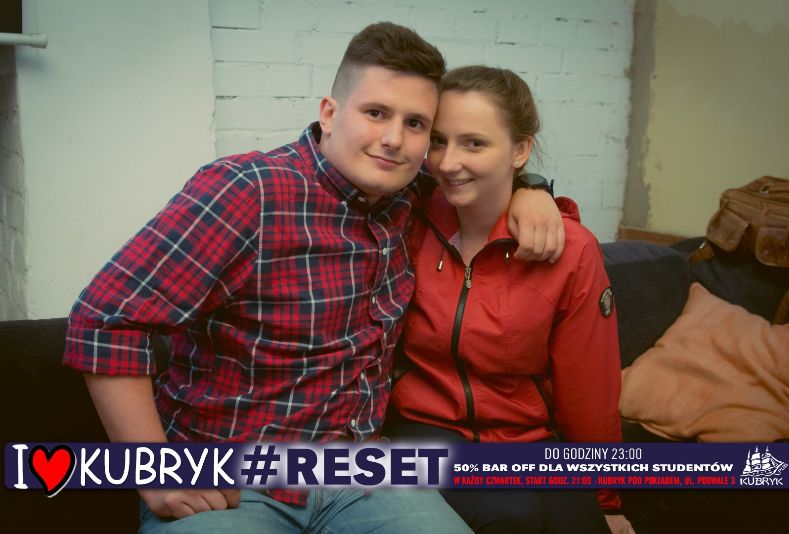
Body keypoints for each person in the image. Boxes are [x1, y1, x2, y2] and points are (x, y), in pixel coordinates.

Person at [63, 23, 566, 533]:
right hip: (232, 481)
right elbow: (104, 320)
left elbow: (481, 181)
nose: (394, 139)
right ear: (329, 113)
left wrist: (533, 190)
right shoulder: (248, 192)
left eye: (416, 123)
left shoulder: (406, 194)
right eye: (376, 113)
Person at [385, 65, 635, 534]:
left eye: (474, 143)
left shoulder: (572, 250)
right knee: (511, 515)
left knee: (581, 523)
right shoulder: (406, 218)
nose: (447, 162)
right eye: (438, 141)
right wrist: (534, 188)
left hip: (528, 438)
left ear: (520, 150)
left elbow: (590, 386)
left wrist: (606, 499)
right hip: (422, 429)